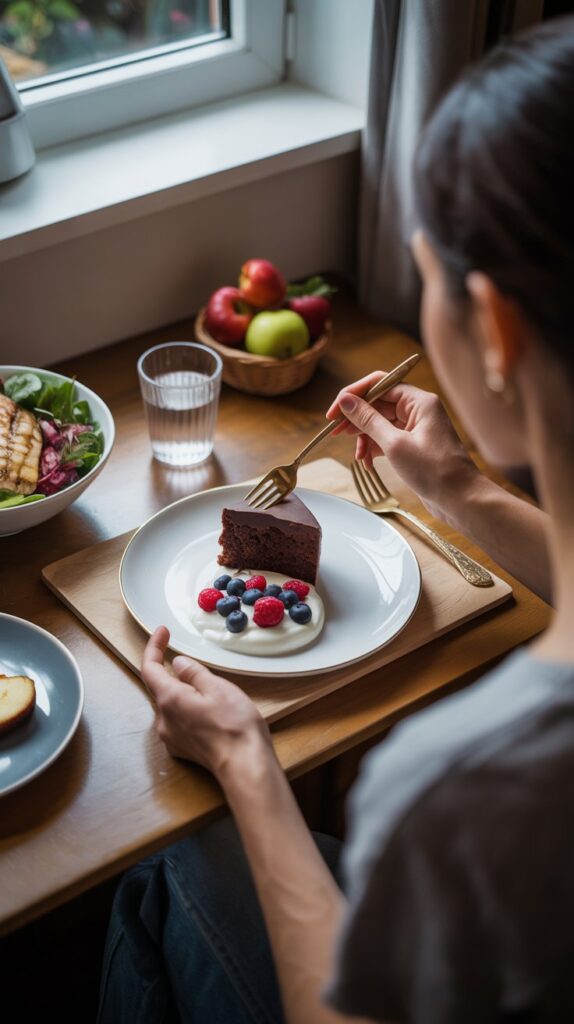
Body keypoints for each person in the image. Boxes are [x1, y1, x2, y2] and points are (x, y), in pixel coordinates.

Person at [97, 18, 574, 1024]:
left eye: (429, 272)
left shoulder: (458, 783)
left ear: (491, 330)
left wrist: (239, 758)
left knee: (168, 853)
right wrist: (457, 487)